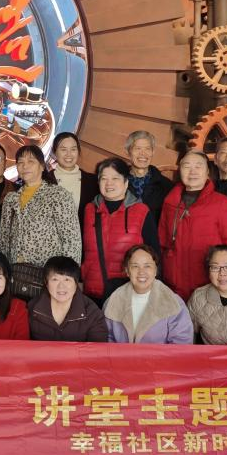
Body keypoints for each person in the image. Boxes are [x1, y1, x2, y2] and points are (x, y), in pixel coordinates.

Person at [0, 142, 81, 298]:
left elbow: (71, 240)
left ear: (42, 166)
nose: (25, 166)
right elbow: (4, 239)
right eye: (20, 162)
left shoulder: (58, 195)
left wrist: (67, 279)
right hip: (16, 275)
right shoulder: (11, 199)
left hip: (47, 277)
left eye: (31, 161)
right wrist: (2, 272)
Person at [158, 150, 227, 300]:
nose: (192, 172)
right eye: (186, 166)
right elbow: (162, 242)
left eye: (198, 166)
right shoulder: (170, 202)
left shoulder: (222, 202)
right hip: (174, 283)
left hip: (209, 282)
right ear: (179, 170)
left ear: (207, 172)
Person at [81, 157, 160, 301]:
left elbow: (154, 253)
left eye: (115, 178)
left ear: (126, 182)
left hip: (127, 294)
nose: (109, 183)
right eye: (104, 178)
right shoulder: (89, 210)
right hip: (91, 293)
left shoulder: (141, 211)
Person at [103, 244, 193, 344]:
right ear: (127, 271)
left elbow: (182, 344)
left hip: (161, 355)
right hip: (121, 355)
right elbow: (107, 341)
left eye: (147, 266)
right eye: (135, 266)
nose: (141, 272)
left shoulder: (175, 303)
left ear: (155, 271)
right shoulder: (112, 302)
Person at [29, 256, 110, 342]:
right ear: (46, 282)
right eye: (55, 279)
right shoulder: (32, 308)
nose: (61, 286)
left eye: (67, 280)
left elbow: (98, 348)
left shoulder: (92, 313)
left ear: (76, 283)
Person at [124, 130, 173, 219]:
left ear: (153, 152)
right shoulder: (117, 181)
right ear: (128, 152)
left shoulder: (166, 185)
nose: (143, 153)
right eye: (138, 148)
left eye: (147, 149)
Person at [51, 131, 97, 217]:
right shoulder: (44, 180)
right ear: (55, 152)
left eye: (73, 149)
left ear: (78, 151)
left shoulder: (93, 181)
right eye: (63, 149)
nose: (69, 154)